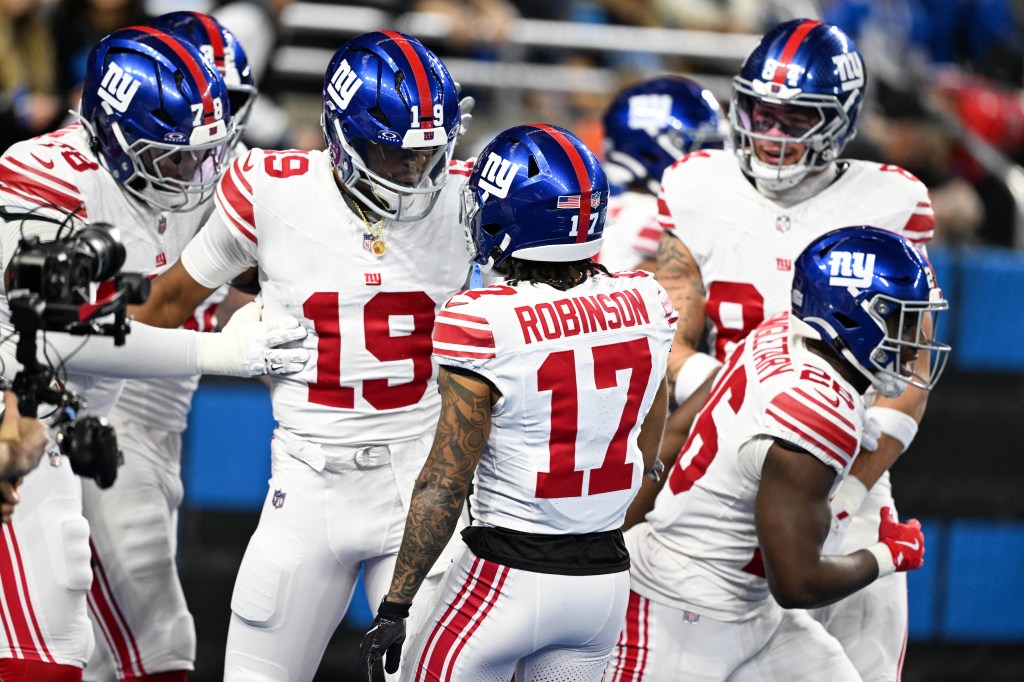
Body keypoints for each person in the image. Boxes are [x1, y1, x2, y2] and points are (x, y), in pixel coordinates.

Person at [128, 30, 474, 681]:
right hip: (308, 485)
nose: (412, 171)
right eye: (391, 152)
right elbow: (168, 300)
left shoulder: (467, 197)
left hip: (423, 490)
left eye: (429, 152)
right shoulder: (272, 190)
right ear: (341, 139)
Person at [0, 27, 307, 680]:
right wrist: (218, 352)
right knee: (49, 631)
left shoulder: (201, 165)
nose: (197, 172)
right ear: (114, 136)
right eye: (171, 156)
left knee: (152, 647)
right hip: (20, 402)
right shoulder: (44, 176)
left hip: (75, 408)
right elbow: (55, 338)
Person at [644, 19, 937, 680]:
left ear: (839, 121)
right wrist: (742, 403)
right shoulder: (699, 184)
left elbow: (910, 370)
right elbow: (669, 338)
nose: (772, 136)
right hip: (723, 474)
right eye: (760, 113)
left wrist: (851, 498)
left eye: (795, 118)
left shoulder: (891, 200)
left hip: (843, 462)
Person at [357, 123, 675, 682]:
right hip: (602, 585)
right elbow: (650, 421)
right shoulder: (646, 300)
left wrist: (396, 604)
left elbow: (444, 481)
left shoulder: (482, 318)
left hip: (504, 578)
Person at [607, 225, 950, 680]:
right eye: (899, 318)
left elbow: (680, 431)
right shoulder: (818, 412)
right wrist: (888, 555)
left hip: (750, 610)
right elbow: (797, 582)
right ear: (851, 317)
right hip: (679, 615)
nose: (913, 339)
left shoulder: (777, 334)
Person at [78, 13, 260, 681]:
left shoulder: (199, 167)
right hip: (93, 421)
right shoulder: (77, 176)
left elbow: (214, 289)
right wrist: (217, 349)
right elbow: (107, 323)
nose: (213, 140)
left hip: (158, 427)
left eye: (230, 108)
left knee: (104, 648)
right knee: (158, 644)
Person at [600, 75, 726, 273]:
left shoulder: (605, 210)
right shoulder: (652, 218)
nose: (714, 157)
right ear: (650, 155)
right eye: (703, 147)